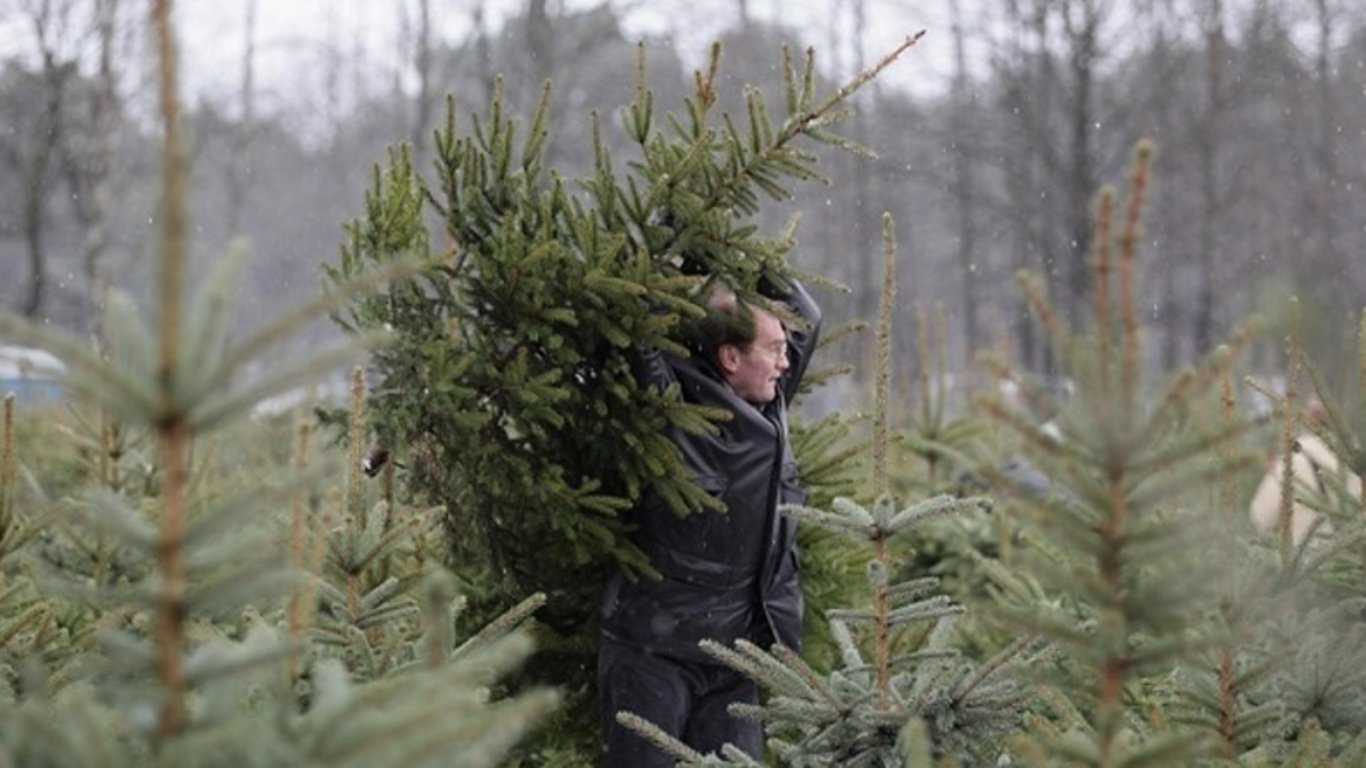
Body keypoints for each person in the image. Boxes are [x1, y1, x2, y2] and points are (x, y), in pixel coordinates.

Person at [596, 275, 821, 766]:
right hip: (654, 651)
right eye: (775, 349)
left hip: (732, 657)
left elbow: (808, 317)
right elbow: (639, 321)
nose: (787, 362)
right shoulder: (675, 406)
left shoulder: (771, 401)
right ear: (730, 357)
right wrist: (680, 249)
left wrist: (737, 260)